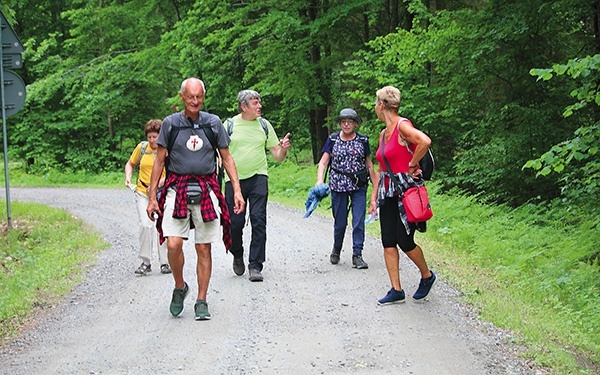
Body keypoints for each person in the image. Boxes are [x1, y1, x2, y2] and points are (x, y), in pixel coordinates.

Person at [146, 78, 245, 320]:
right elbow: (159, 161)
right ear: (182, 97)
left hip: (206, 187)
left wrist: (237, 189)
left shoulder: (213, 123)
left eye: (199, 97)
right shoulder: (170, 124)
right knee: (173, 244)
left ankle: (202, 300)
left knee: (203, 246)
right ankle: (180, 286)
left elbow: (227, 157)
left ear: (203, 96)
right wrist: (152, 197)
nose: (195, 101)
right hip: (176, 188)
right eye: (190, 97)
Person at [368, 85, 436, 305]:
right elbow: (380, 168)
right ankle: (396, 289)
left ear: (382, 105)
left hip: (404, 189)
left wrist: (412, 163)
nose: (375, 108)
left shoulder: (402, 126)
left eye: (376, 104)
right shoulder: (383, 134)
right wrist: (373, 197)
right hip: (387, 190)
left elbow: (424, 141)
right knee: (388, 239)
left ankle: (427, 275)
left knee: (405, 240)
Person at [224, 89, 291, 282]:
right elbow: (220, 153)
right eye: (255, 103)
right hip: (234, 180)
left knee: (258, 219)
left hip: (258, 177)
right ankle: (237, 253)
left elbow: (277, 156)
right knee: (235, 225)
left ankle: (255, 265)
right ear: (244, 106)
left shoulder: (264, 125)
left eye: (259, 102)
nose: (259, 106)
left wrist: (283, 149)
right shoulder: (229, 125)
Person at [315, 108, 377, 269]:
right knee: (340, 222)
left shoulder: (363, 140)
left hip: (358, 186)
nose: (347, 124)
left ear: (355, 124)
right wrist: (320, 180)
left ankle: (357, 254)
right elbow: (323, 162)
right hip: (337, 185)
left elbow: (369, 165)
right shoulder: (333, 139)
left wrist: (376, 190)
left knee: (358, 221)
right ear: (340, 123)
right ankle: (336, 248)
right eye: (344, 121)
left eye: (350, 121)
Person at [124, 119, 170, 276]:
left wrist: (158, 184)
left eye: (155, 137)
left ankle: (165, 262)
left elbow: (172, 171)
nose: (152, 140)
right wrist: (128, 177)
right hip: (143, 191)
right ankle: (146, 261)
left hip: (161, 192)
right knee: (145, 224)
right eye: (150, 137)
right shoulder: (142, 148)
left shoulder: (167, 149)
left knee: (163, 225)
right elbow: (130, 164)